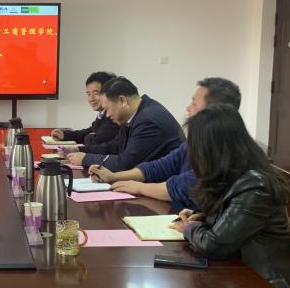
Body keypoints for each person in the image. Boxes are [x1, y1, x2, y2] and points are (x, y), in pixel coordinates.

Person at [169, 104, 290, 288]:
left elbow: (214, 245)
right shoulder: (233, 174)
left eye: (196, 148)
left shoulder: (256, 185)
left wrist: (189, 228)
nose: (192, 155)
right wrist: (203, 218)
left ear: (214, 150)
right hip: (243, 280)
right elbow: (230, 224)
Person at [90, 77, 241, 210]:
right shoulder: (195, 143)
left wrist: (140, 187)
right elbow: (161, 166)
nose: (188, 108)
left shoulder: (225, 150)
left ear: (215, 112)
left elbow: (186, 185)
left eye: (194, 104)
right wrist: (114, 176)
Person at [63, 77, 182, 171]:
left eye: (107, 109)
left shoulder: (148, 120)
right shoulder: (135, 114)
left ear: (122, 101)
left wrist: (86, 159)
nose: (107, 115)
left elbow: (125, 163)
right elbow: (114, 147)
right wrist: (80, 149)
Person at [51, 71, 119, 149]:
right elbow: (89, 132)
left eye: (96, 93)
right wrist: (64, 135)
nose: (91, 99)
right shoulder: (103, 114)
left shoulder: (115, 117)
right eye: (89, 94)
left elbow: (94, 141)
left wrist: (88, 137)